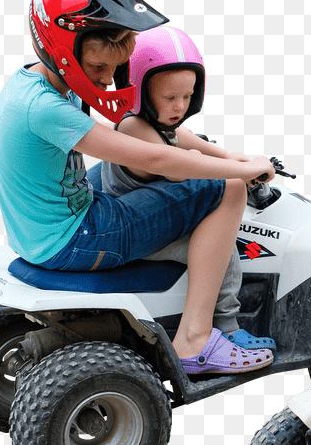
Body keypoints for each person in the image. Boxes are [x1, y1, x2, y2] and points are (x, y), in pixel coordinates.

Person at [0, 0, 275, 375]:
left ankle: (185, 270)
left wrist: (225, 154)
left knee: (139, 177)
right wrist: (240, 169)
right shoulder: (46, 109)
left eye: (114, 70)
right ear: (65, 50)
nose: (106, 83)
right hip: (76, 238)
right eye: (99, 70)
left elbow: (133, 140)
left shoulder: (31, 85)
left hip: (37, 232)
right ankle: (196, 339)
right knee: (226, 188)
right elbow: (155, 158)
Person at [97, 25, 275, 352]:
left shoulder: (155, 122)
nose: (180, 106)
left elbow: (184, 135)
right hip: (142, 233)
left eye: (187, 97)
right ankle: (225, 326)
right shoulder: (133, 126)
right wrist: (239, 170)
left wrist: (227, 155)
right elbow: (177, 165)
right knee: (222, 251)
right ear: (137, 90)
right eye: (170, 98)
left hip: (152, 222)